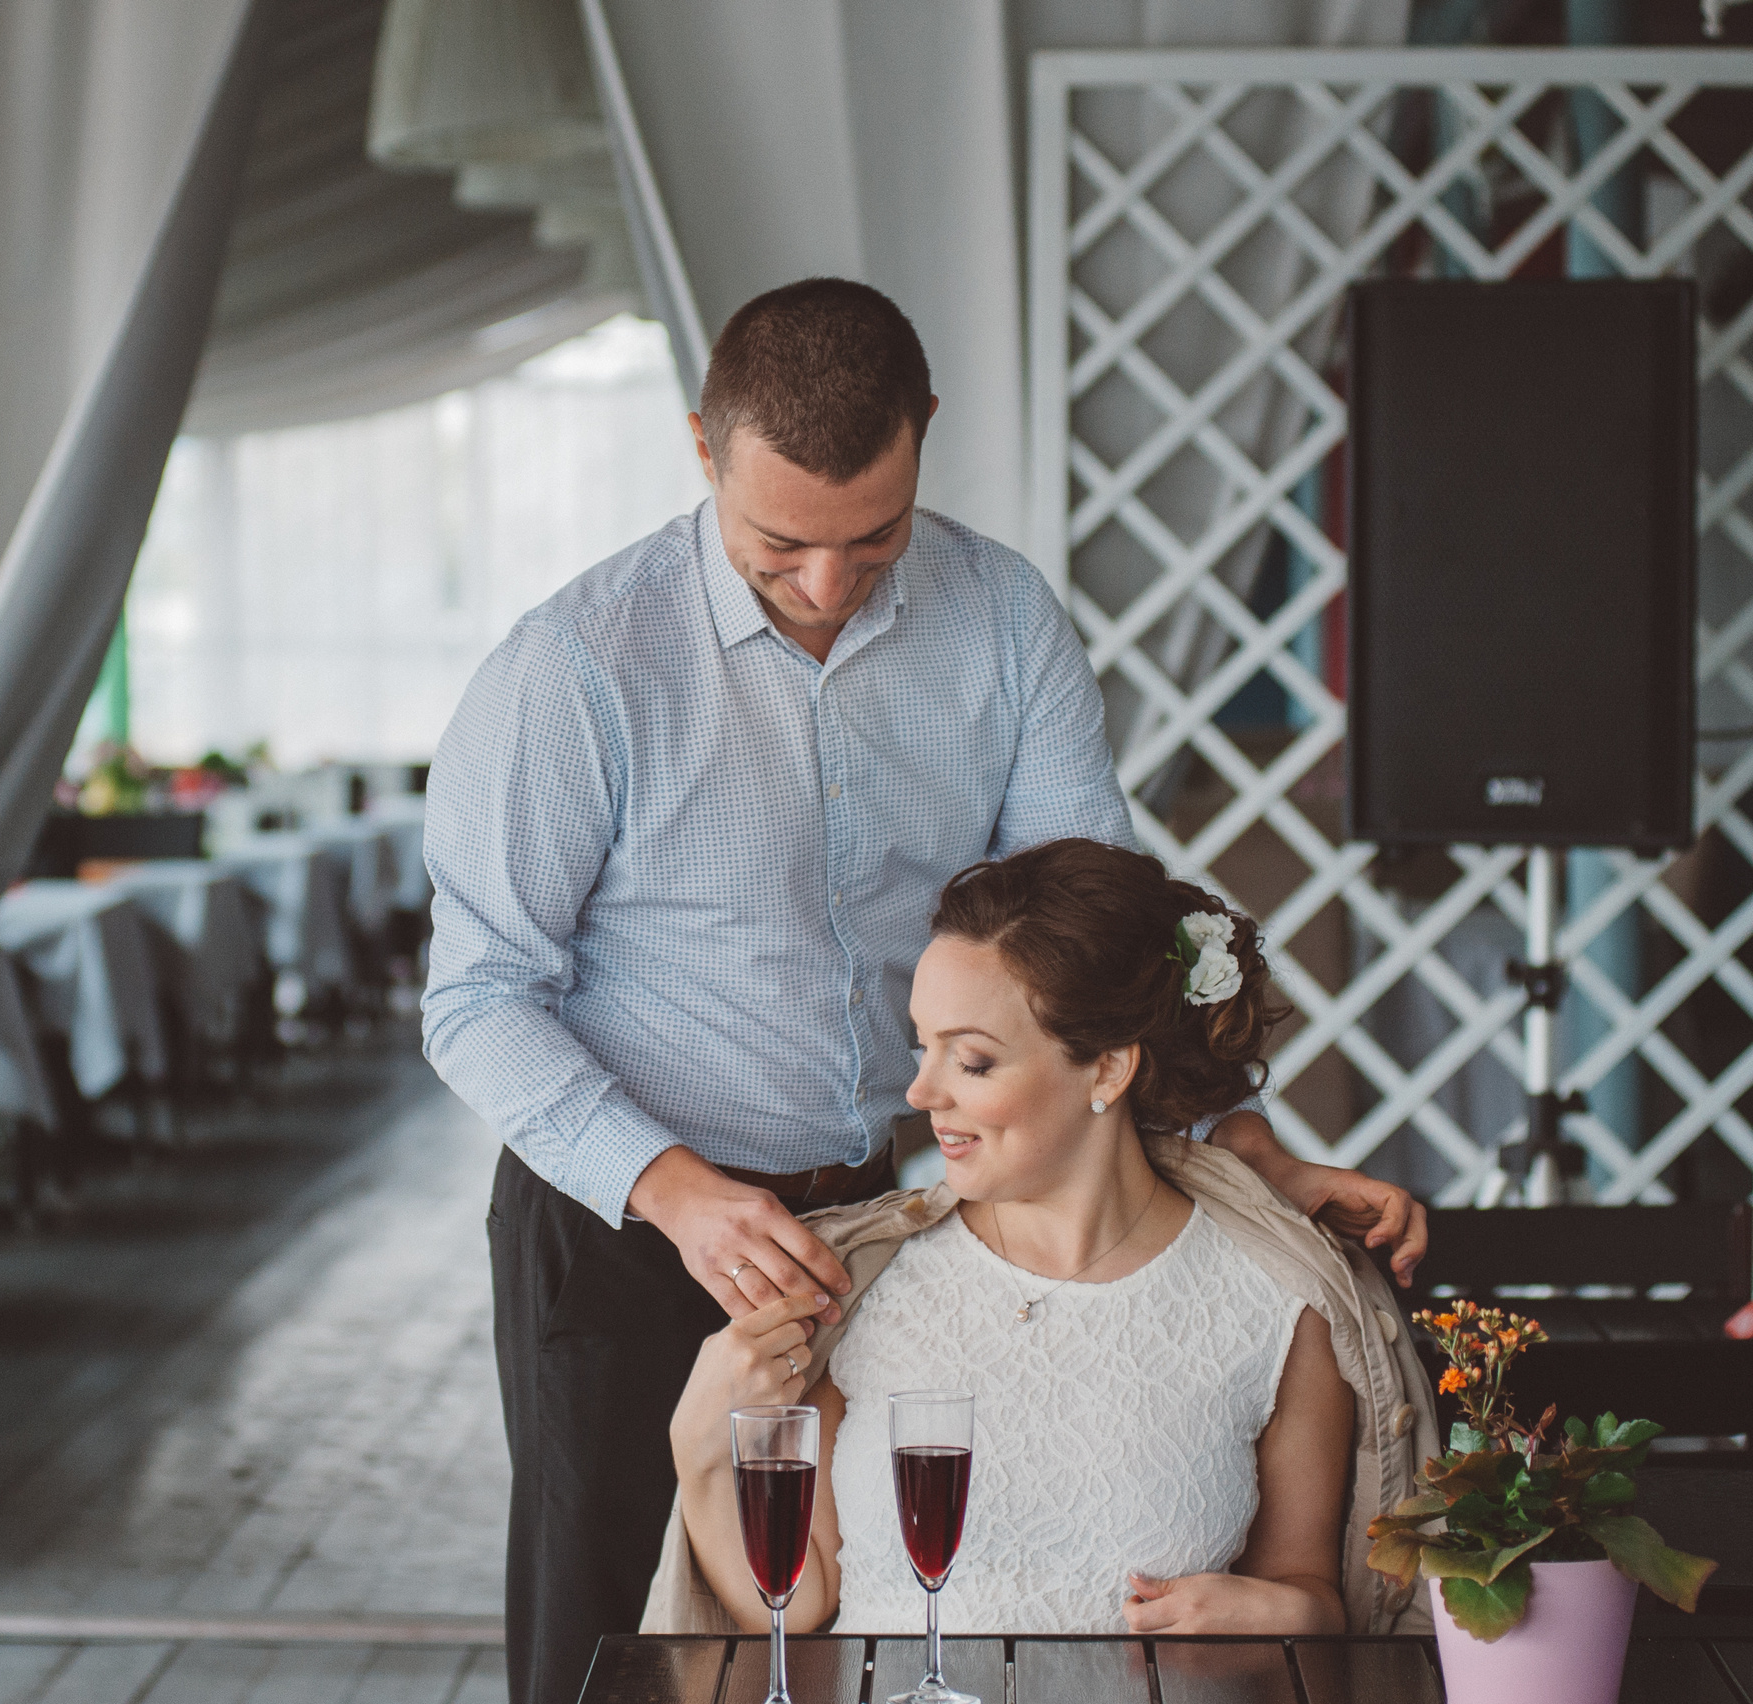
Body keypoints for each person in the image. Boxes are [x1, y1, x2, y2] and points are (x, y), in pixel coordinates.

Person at [420, 278, 1428, 1704]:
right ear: (703, 446)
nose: (829, 584)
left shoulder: (1002, 617)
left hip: (875, 1215)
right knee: (619, 1655)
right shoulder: (574, 669)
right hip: (623, 1224)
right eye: (780, 545)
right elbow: (474, 998)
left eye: (873, 537)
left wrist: (1236, 1146)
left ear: (925, 434)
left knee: (830, 1628)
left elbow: (1089, 935)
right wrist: (681, 1194)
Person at [654, 839, 1436, 1639]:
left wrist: (1278, 1611)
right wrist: (700, 1446)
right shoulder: (856, 1281)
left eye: (973, 1060)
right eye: (923, 1047)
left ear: (1107, 1071)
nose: (920, 1092)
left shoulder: (1280, 1299)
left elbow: (1311, 1590)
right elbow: (797, 1600)